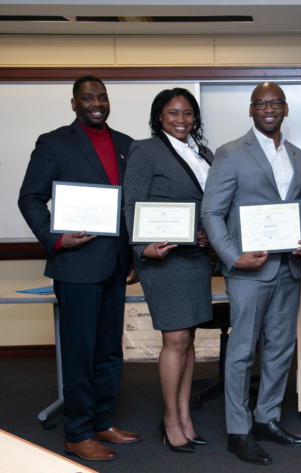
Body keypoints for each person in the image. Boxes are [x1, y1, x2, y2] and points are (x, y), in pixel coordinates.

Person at [18, 76, 140, 461]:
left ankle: (102, 421)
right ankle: (77, 432)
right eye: (88, 98)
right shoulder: (54, 142)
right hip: (75, 265)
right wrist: (55, 238)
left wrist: (133, 256)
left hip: (116, 267)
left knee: (109, 352)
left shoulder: (126, 144)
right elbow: (30, 198)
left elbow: (131, 206)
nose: (96, 103)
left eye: (102, 96)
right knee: (79, 353)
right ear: (74, 104)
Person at [201, 82, 301, 466]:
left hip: (288, 268)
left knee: (281, 349)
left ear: (286, 109)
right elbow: (211, 213)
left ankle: (267, 419)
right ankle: (239, 430)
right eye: (260, 103)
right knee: (241, 353)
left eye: (275, 102)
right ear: (251, 110)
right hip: (249, 271)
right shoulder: (231, 153)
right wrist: (234, 258)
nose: (268, 108)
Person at [122, 88, 214, 453]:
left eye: (187, 113)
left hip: (195, 256)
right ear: (159, 116)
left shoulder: (203, 153)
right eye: (173, 113)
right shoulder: (145, 151)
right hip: (163, 258)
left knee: (188, 339)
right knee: (175, 339)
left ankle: (185, 418)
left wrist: (209, 232)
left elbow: (209, 203)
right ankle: (171, 420)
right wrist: (141, 247)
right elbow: (132, 202)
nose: (180, 120)